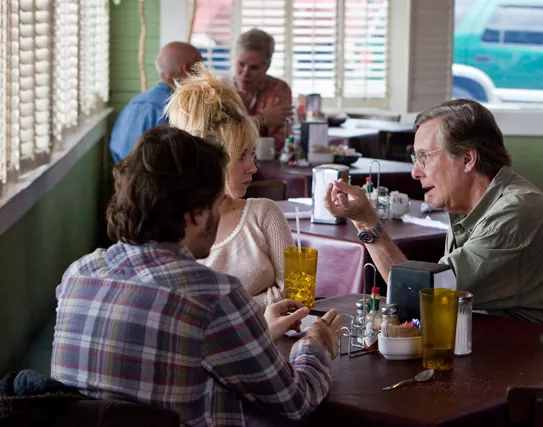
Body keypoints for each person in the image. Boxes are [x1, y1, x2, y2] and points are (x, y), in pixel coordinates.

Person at [51, 126, 341, 427]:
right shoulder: (212, 295)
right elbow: (295, 402)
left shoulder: (77, 275)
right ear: (198, 214)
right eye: (218, 202)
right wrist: (314, 345)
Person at [323, 99, 543, 327]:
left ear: (467, 159)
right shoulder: (472, 206)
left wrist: (366, 221)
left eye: (424, 157)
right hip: (533, 353)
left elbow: (422, 297)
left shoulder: (514, 215)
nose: (415, 171)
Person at [165, 64, 294, 307]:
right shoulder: (171, 225)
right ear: (211, 162)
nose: (253, 168)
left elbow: (291, 293)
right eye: (241, 156)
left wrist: (222, 312)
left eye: (252, 154)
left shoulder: (264, 214)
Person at [109, 42, 202, 162]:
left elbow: (118, 150)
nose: (205, 74)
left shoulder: (135, 104)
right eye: (201, 66)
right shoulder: (178, 110)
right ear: (187, 68)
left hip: (126, 177)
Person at [232, 28, 293, 151]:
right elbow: (219, 137)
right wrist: (262, 119)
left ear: (267, 66)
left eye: (254, 68)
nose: (245, 73)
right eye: (241, 64)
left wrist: (239, 129)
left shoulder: (279, 89)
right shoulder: (220, 89)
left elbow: (277, 144)